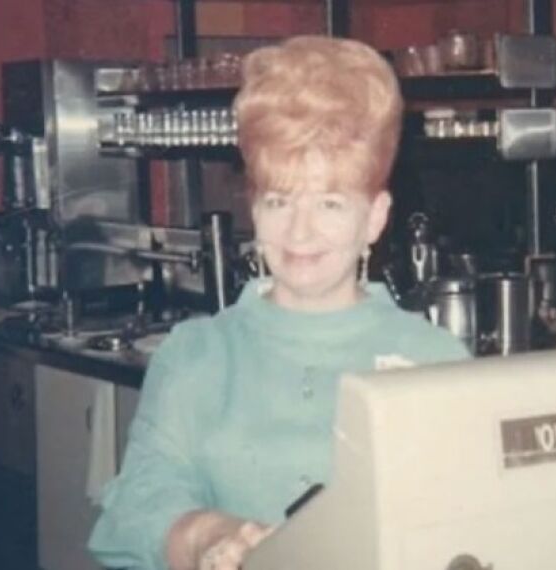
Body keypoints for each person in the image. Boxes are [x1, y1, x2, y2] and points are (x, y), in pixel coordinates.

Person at [88, 35, 470, 570]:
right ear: (254, 207)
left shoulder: (435, 360)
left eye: (330, 203)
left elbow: (471, 526)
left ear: (376, 217)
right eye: (279, 200)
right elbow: (139, 509)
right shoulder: (198, 354)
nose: (300, 230)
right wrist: (205, 536)